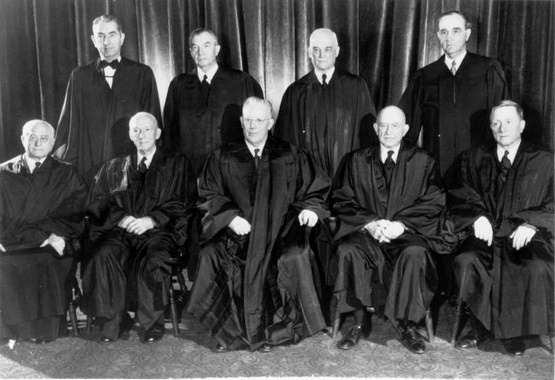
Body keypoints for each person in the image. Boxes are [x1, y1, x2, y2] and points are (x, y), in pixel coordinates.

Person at [187, 97, 330, 352]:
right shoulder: (222, 156)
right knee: (211, 254)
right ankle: (228, 332)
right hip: (237, 235)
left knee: (294, 256)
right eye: (248, 120)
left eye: (259, 120)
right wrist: (229, 217)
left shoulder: (290, 154)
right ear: (241, 121)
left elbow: (314, 189)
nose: (253, 126)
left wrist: (311, 209)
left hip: (279, 233)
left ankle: (277, 332)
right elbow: (208, 194)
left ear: (270, 123)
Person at [331, 106, 445, 354]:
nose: (388, 131)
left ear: (405, 129)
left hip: (406, 234)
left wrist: (400, 225)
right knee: (347, 250)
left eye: (395, 126)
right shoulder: (356, 160)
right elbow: (341, 200)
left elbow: (434, 201)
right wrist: (370, 222)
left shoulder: (424, 161)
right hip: (366, 234)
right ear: (375, 128)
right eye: (383, 125)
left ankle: (408, 325)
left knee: (416, 254)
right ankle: (359, 322)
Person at [448, 100, 553, 356]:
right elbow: (457, 193)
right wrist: (476, 216)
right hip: (486, 236)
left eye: (508, 122)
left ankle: (516, 332)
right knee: (465, 260)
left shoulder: (545, 160)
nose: (502, 128)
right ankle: (478, 327)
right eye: (496, 123)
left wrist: (532, 223)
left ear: (522, 125)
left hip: (525, 237)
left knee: (535, 266)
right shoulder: (472, 158)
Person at [81, 112, 197, 343]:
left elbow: (185, 201)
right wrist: (121, 218)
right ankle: (114, 320)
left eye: (146, 130)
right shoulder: (114, 167)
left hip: (159, 231)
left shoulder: (177, 163)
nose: (141, 135)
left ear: (157, 133)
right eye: (136, 130)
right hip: (121, 231)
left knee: (154, 258)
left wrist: (152, 219)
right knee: (102, 255)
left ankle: (152, 322)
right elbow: (98, 201)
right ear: (130, 134)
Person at [0, 120, 86, 343]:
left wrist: (48, 235)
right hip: (13, 241)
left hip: (50, 241)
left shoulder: (66, 173)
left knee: (47, 263)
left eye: (44, 138)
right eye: (32, 137)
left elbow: (75, 211)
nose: (37, 142)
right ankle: (10, 331)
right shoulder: (3, 172)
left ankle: (41, 331)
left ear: (52, 143)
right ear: (22, 139)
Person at [399, 10, 509, 179]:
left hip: (481, 170)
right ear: (438, 36)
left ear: (468, 34)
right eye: (444, 32)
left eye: (456, 31)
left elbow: (505, 122)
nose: (449, 38)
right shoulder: (425, 76)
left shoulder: (488, 69)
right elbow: (406, 127)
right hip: (436, 171)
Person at [54, 14, 161, 180]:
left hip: (129, 161)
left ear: (122, 37)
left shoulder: (142, 73)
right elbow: (68, 120)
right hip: (89, 161)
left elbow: (152, 118)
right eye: (101, 36)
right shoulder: (79, 76)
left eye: (112, 35)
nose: (106, 42)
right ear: (93, 40)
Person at [275, 28, 376, 179]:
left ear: (337, 51)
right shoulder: (295, 92)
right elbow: (284, 142)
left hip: (348, 181)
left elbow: (368, 138)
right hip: (309, 186)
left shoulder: (356, 87)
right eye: (316, 50)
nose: (321, 55)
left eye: (327, 49)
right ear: (309, 53)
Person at [163, 28, 263, 174]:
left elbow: (258, 128)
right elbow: (170, 135)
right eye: (195, 47)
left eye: (206, 45)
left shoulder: (240, 81)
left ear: (217, 49)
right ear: (191, 52)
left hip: (231, 171)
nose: (200, 52)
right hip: (189, 173)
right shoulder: (178, 86)